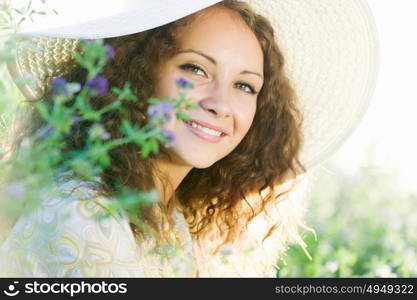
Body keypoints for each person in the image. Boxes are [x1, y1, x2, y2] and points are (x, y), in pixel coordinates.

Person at [0, 0, 379, 277]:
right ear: (136, 73)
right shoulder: (85, 212)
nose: (221, 103)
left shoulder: (167, 219)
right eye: (195, 68)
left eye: (245, 86)